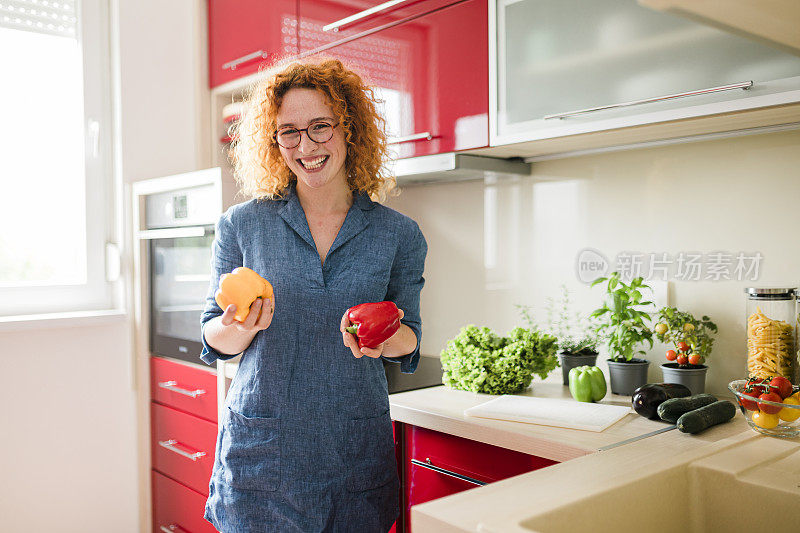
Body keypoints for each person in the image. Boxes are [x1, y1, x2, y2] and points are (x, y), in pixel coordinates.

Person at [199, 58, 427, 532]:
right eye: (289, 132)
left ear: (350, 130)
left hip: (353, 460)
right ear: (273, 140)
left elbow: (411, 341)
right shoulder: (242, 224)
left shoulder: (397, 234)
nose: (306, 146)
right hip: (261, 460)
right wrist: (237, 327)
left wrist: (385, 339)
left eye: (320, 126)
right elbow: (213, 336)